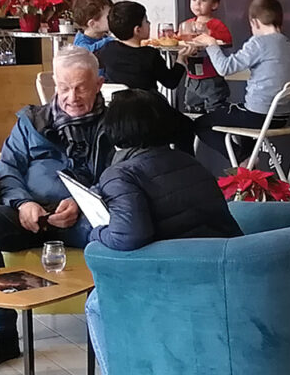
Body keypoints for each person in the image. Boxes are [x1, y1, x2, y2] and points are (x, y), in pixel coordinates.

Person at [0, 46, 115, 371]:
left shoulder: (115, 123)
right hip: (29, 216)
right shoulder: (32, 122)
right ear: (54, 83)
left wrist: (86, 201)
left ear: (98, 83)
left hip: (85, 220)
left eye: (81, 87)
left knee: (114, 234)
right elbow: (8, 169)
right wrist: (23, 203)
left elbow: (125, 172)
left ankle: (107, 330)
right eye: (63, 87)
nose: (71, 97)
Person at [85, 88, 244, 373]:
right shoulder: (191, 162)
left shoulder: (120, 174)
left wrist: (96, 232)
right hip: (228, 274)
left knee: (97, 304)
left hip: (177, 281)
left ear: (115, 129)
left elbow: (128, 236)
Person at [192, 0, 290, 164]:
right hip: (280, 117)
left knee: (201, 124)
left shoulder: (258, 43)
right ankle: (249, 174)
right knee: (240, 115)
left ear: (255, 22)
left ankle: (243, 160)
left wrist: (211, 43)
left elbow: (224, 68)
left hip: (258, 116)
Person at [96, 0, 194, 91]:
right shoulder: (150, 55)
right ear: (137, 30)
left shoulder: (107, 49)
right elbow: (171, 82)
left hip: (117, 105)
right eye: (146, 21)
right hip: (148, 106)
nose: (149, 23)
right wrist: (180, 59)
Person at [181, 0, 234, 113]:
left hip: (212, 79)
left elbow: (227, 40)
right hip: (192, 78)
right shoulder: (186, 24)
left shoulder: (217, 25)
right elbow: (179, 41)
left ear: (214, 4)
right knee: (191, 111)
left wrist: (210, 35)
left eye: (203, 0)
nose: (197, 4)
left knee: (215, 111)